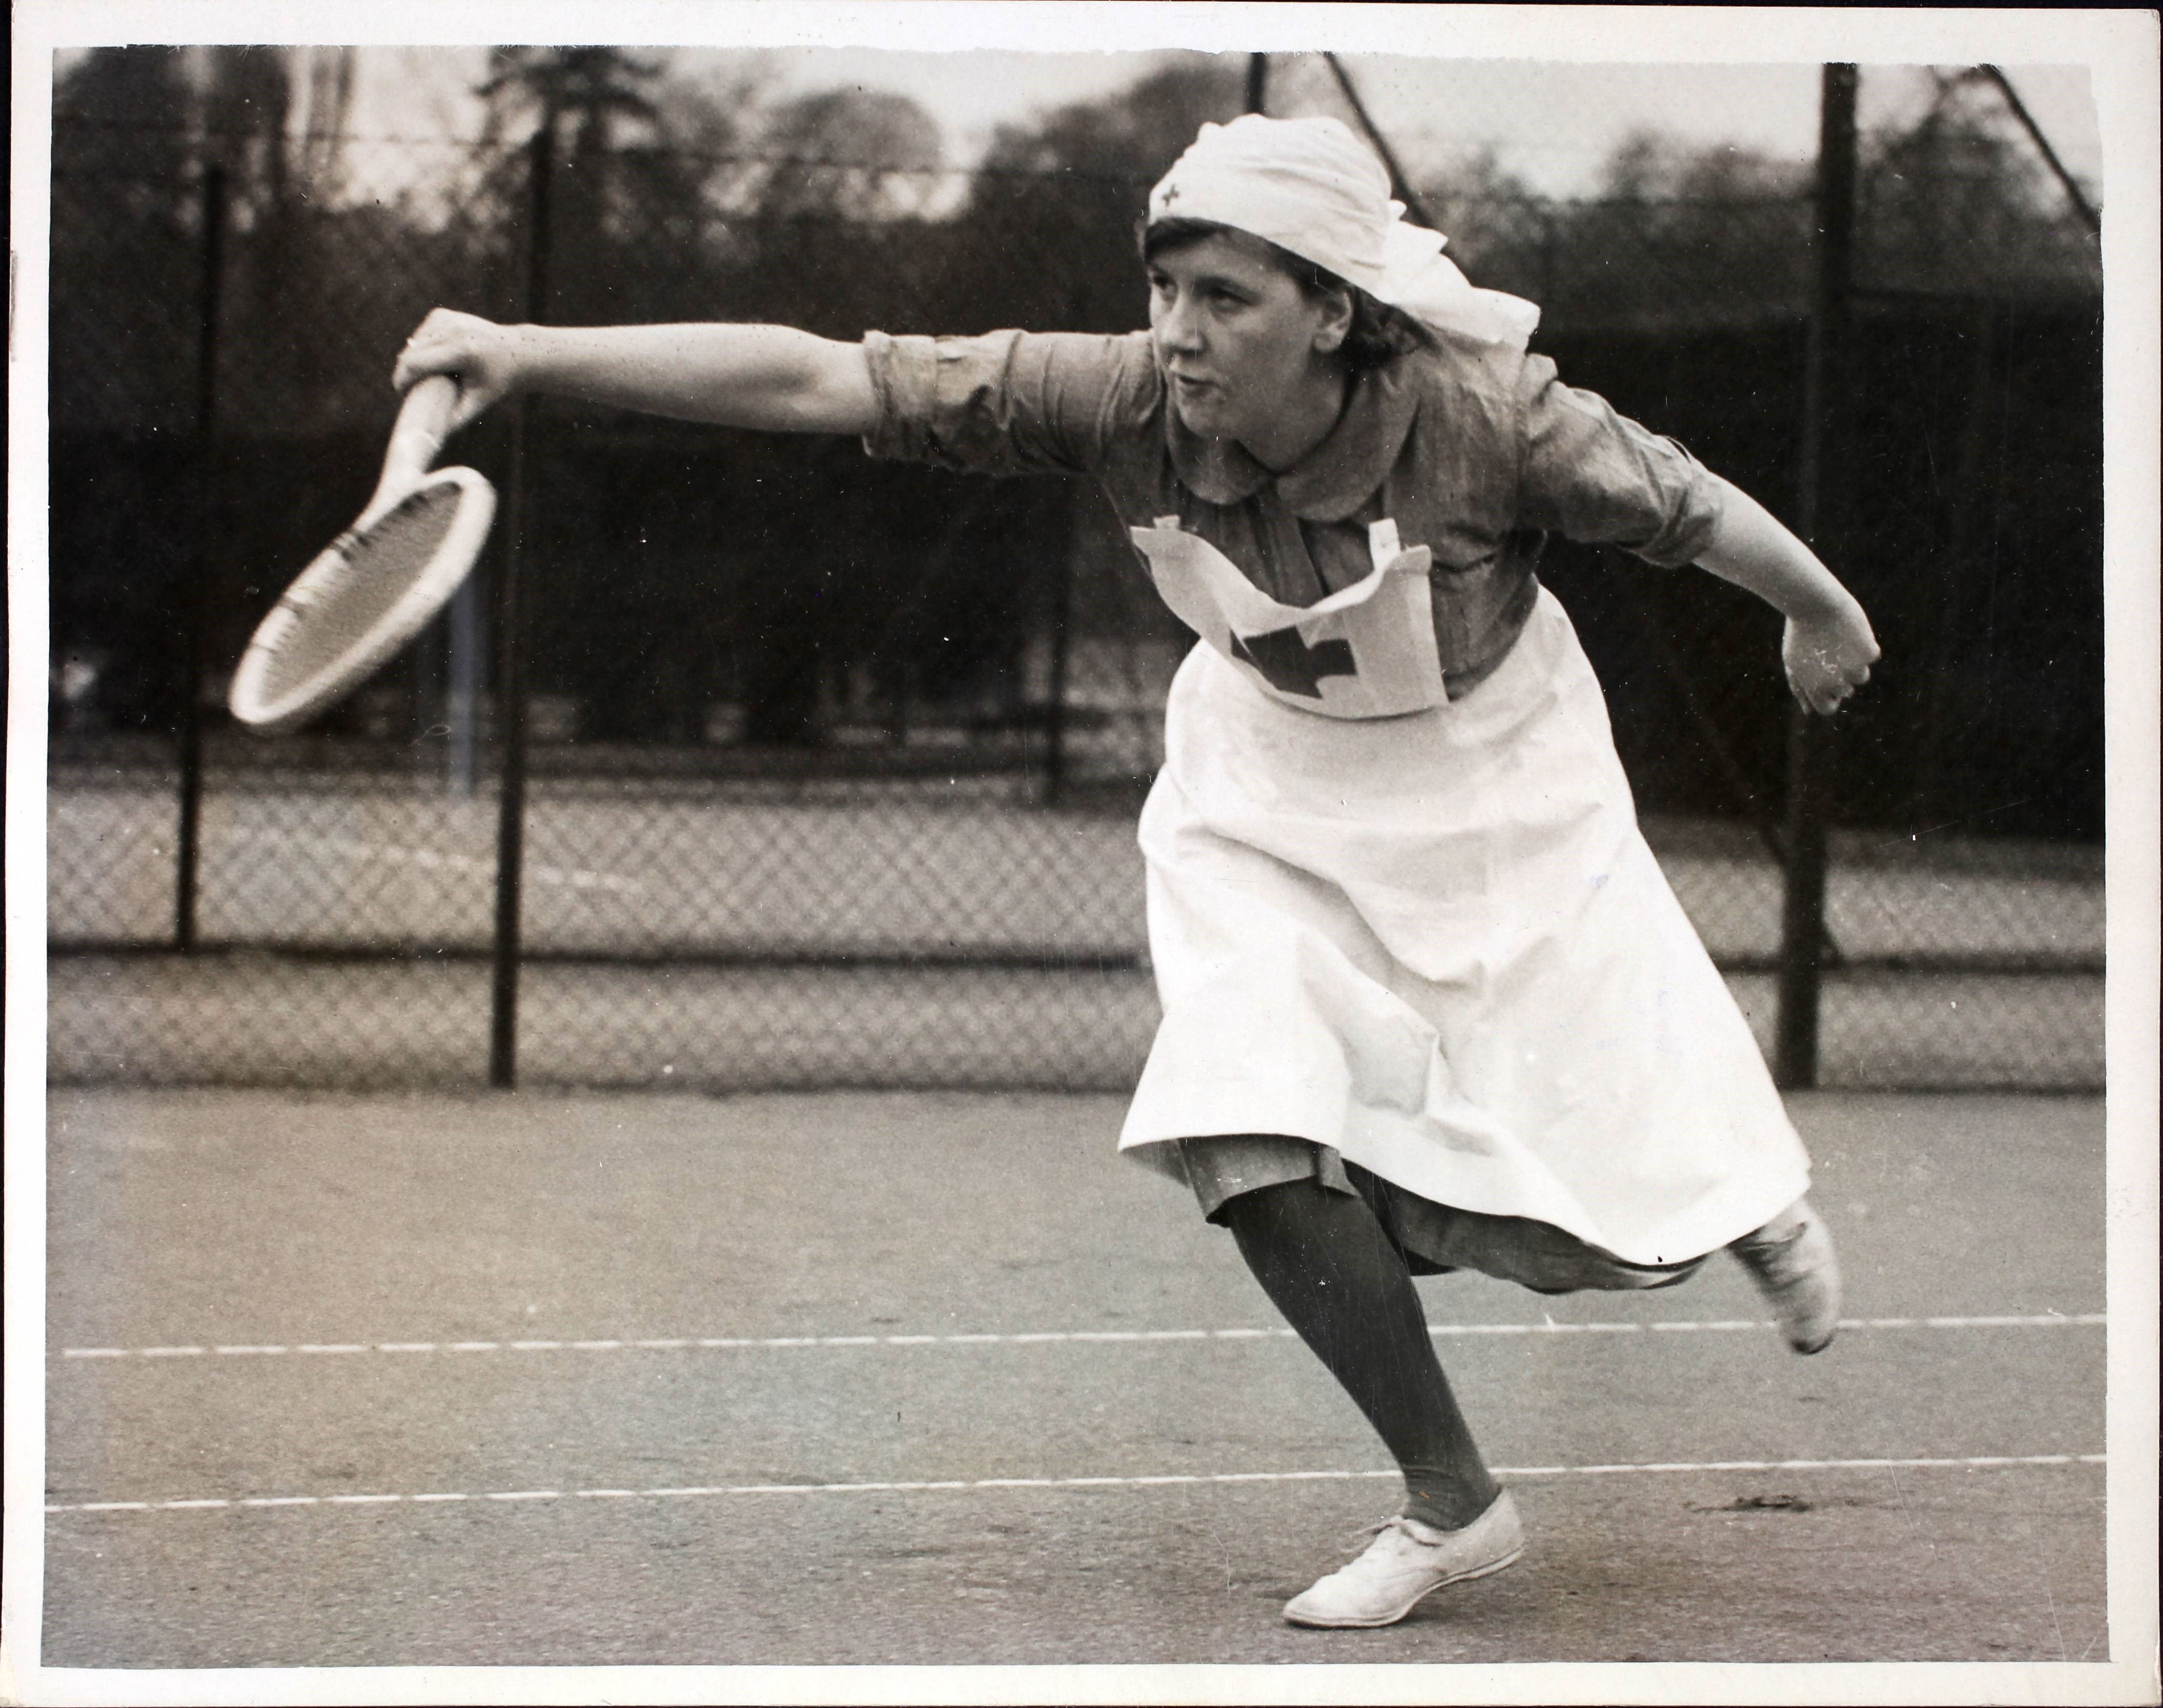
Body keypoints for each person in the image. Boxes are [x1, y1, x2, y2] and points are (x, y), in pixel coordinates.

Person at [395, 113, 1879, 1632]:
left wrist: (1819, 612)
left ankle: (1747, 1201)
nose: (1175, 331)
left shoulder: (1488, 414)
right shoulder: (1114, 394)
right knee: (1241, 1122)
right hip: (1264, 783)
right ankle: (1454, 1502)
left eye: (1225, 298)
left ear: (1339, 314)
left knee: (1600, 1083)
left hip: (1496, 769)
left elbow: (1691, 507)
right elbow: (814, 373)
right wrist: (523, 348)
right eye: (1165, 287)